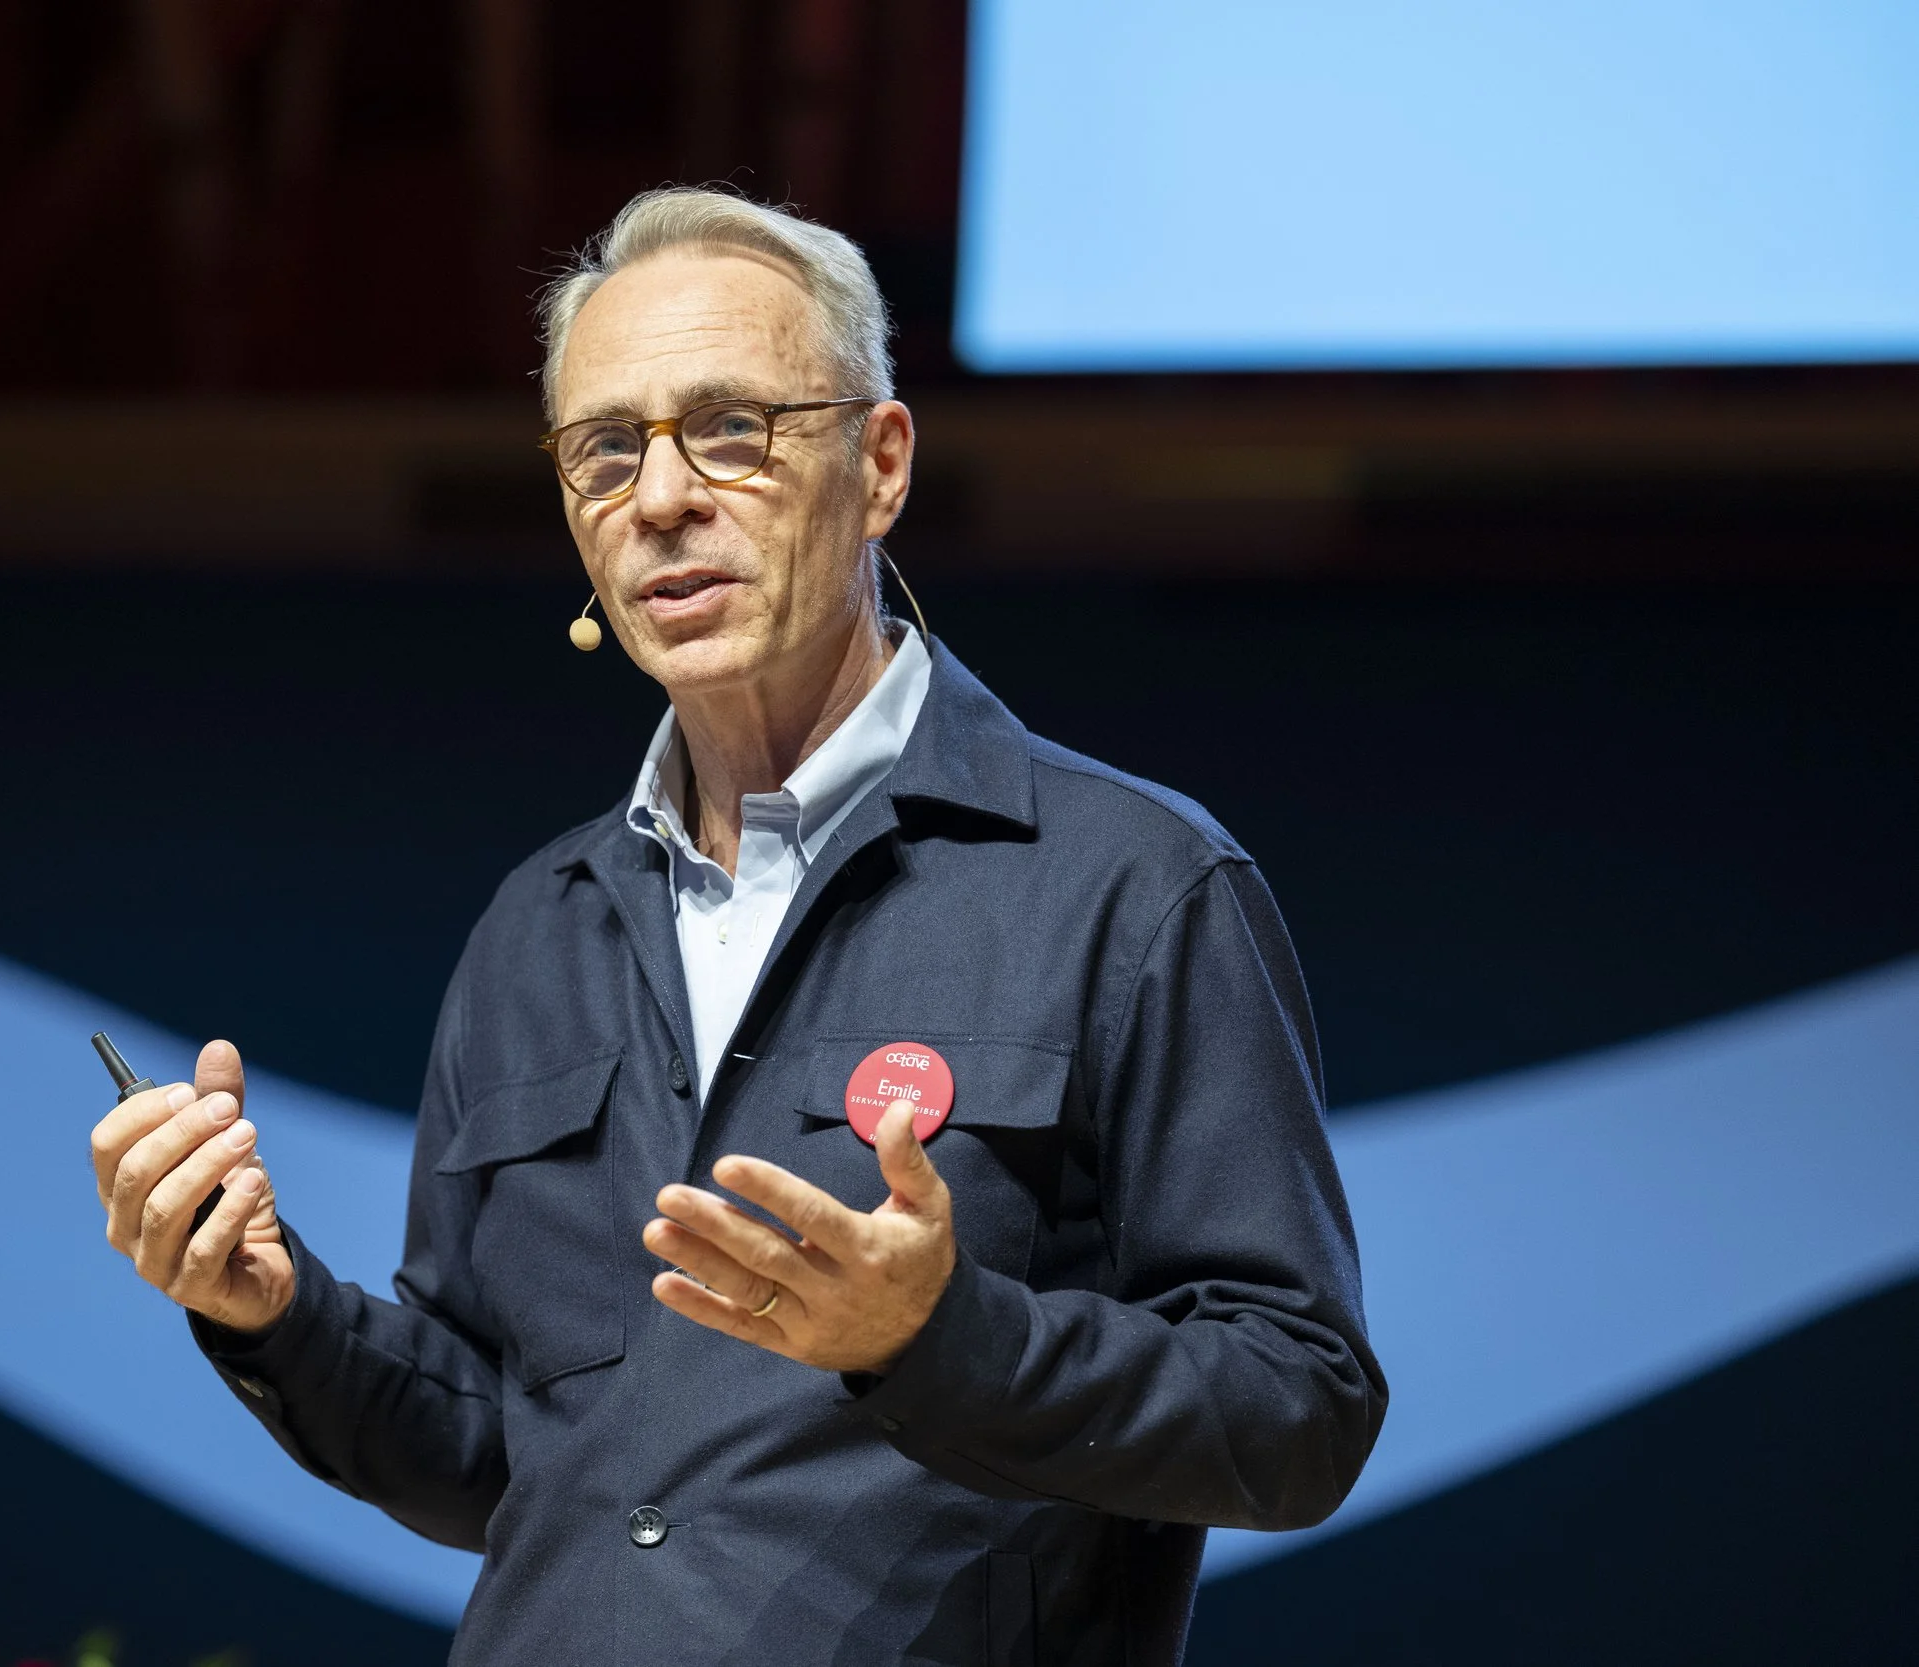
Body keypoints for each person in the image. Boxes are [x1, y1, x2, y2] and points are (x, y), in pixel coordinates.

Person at [88, 188, 1385, 1665]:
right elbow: (498, 1456)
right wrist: (270, 1309)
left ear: (880, 464)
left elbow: (1300, 1409)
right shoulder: (538, 930)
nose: (659, 498)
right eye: (605, 448)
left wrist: (940, 1339)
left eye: (729, 429)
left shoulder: (1132, 886)